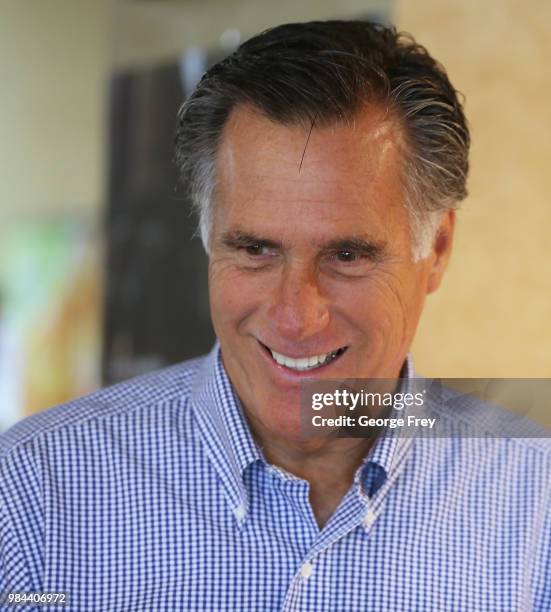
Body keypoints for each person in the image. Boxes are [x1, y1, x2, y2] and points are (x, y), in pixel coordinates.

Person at [1, 20, 549, 612]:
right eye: (256, 249)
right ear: (210, 239)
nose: (295, 317)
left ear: (436, 249)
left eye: (347, 255)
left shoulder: (535, 499)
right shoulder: (35, 496)